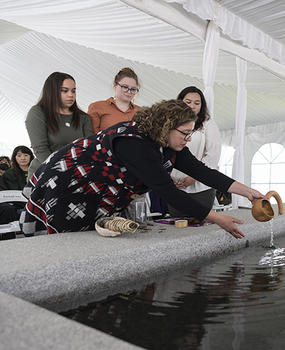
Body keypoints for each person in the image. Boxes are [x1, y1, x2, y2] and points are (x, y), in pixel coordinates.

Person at [20, 99, 264, 239]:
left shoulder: (168, 143)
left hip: (96, 187)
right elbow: (168, 191)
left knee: (86, 228)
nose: (187, 140)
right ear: (166, 126)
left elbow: (203, 172)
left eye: (191, 134)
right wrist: (218, 219)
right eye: (185, 134)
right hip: (67, 180)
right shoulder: (134, 142)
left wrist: (247, 192)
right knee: (67, 232)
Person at [25, 72, 93, 177]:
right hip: (45, 174)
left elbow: (89, 149)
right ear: (52, 91)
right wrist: (62, 172)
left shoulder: (83, 118)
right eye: (64, 90)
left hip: (75, 175)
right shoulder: (37, 113)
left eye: (73, 91)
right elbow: (40, 149)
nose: (71, 95)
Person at [169, 86, 221, 216]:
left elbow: (213, 156)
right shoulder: (170, 123)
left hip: (201, 188)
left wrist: (195, 177)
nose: (192, 106)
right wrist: (168, 176)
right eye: (188, 102)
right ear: (180, 102)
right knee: (177, 225)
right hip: (174, 186)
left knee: (198, 224)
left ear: (201, 106)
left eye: (197, 103)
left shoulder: (208, 124)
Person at [88, 67, 140, 133]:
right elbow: (91, 138)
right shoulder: (97, 107)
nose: (129, 91)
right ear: (115, 85)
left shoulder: (141, 112)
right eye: (125, 87)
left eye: (133, 89)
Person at [0, 145, 34, 218]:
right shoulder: (8, 174)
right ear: (14, 158)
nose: (23, 158)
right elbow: (3, 192)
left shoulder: (38, 171)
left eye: (26, 155)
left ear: (31, 156)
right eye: (19, 156)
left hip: (36, 205)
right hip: (18, 207)